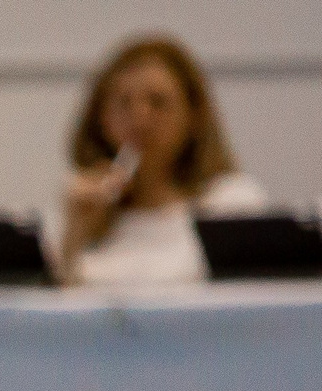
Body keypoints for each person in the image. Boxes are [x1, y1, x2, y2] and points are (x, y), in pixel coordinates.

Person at [49, 34, 266, 287]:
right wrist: (74, 236)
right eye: (123, 103)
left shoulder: (230, 204)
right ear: (100, 119)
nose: (139, 119)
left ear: (194, 115)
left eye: (158, 102)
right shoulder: (77, 209)